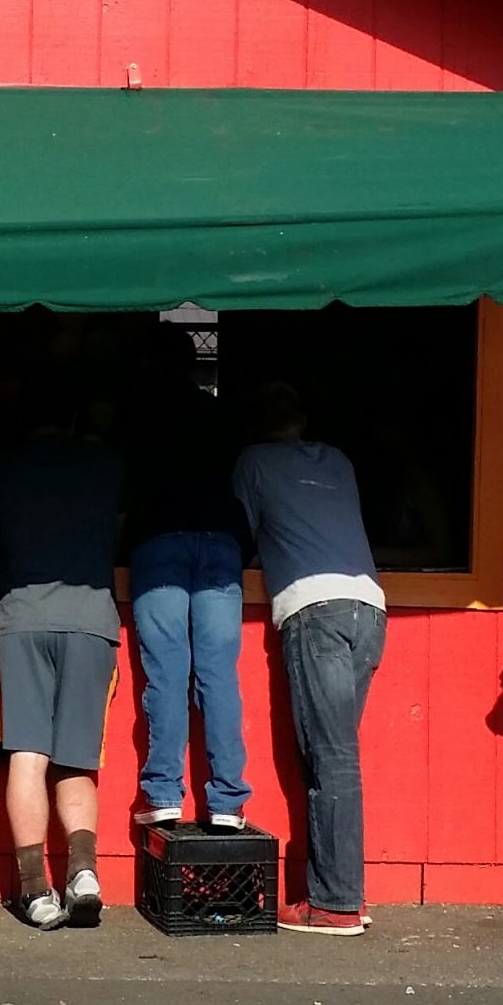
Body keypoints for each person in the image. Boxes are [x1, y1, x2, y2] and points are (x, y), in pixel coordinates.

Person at [234, 382, 383, 937]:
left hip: (313, 607)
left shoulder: (253, 462)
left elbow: (241, 535)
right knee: (334, 754)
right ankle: (340, 894)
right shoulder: (338, 460)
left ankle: (336, 902)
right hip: (369, 608)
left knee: (330, 758)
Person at [0, 381, 125, 931]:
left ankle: (37, 890)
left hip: (21, 620)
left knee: (27, 755)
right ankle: (83, 873)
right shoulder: (107, 466)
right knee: (77, 758)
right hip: (90, 619)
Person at [124, 327, 251, 831]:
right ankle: (226, 802)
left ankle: (163, 792)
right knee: (219, 673)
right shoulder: (219, 413)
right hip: (221, 538)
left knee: (168, 671)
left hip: (158, 537)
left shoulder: (136, 414)